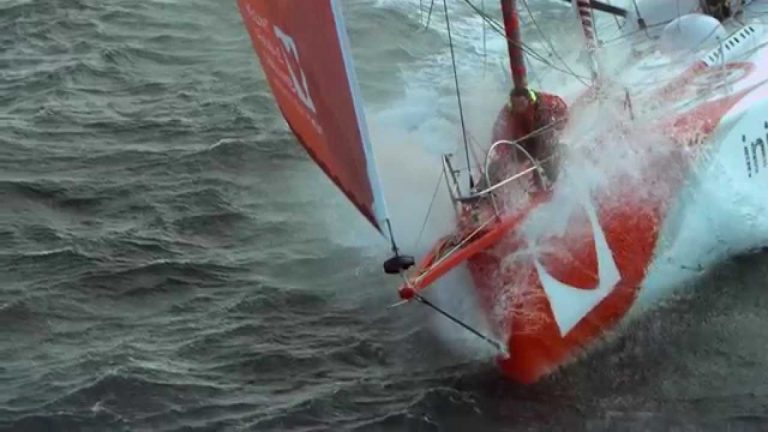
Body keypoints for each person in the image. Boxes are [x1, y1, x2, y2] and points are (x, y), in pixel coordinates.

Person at [484, 86, 568, 190]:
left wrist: (559, 125)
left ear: (528, 100)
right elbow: (497, 134)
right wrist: (504, 154)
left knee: (551, 166)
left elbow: (562, 110)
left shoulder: (544, 102)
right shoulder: (507, 113)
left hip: (544, 144)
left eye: (521, 104)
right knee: (496, 166)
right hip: (521, 147)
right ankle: (482, 192)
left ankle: (553, 183)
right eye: (515, 105)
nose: (518, 108)